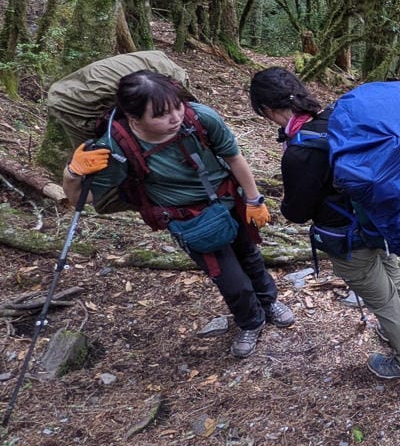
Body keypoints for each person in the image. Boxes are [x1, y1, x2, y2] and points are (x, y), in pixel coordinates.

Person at [62, 71, 293, 359]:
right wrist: (72, 173)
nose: (174, 118)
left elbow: (234, 157)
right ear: (134, 119)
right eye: (161, 114)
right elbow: (83, 199)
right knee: (228, 278)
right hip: (189, 219)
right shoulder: (119, 146)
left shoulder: (200, 118)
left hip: (229, 200)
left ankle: (268, 302)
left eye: (176, 106)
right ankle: (251, 321)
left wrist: (253, 198)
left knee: (250, 256)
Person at [248, 67, 400, 383]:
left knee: (383, 301)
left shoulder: (300, 150)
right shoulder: (340, 119)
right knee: (395, 281)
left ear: (267, 110)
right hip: (379, 222)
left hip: (346, 237)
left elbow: (298, 213)